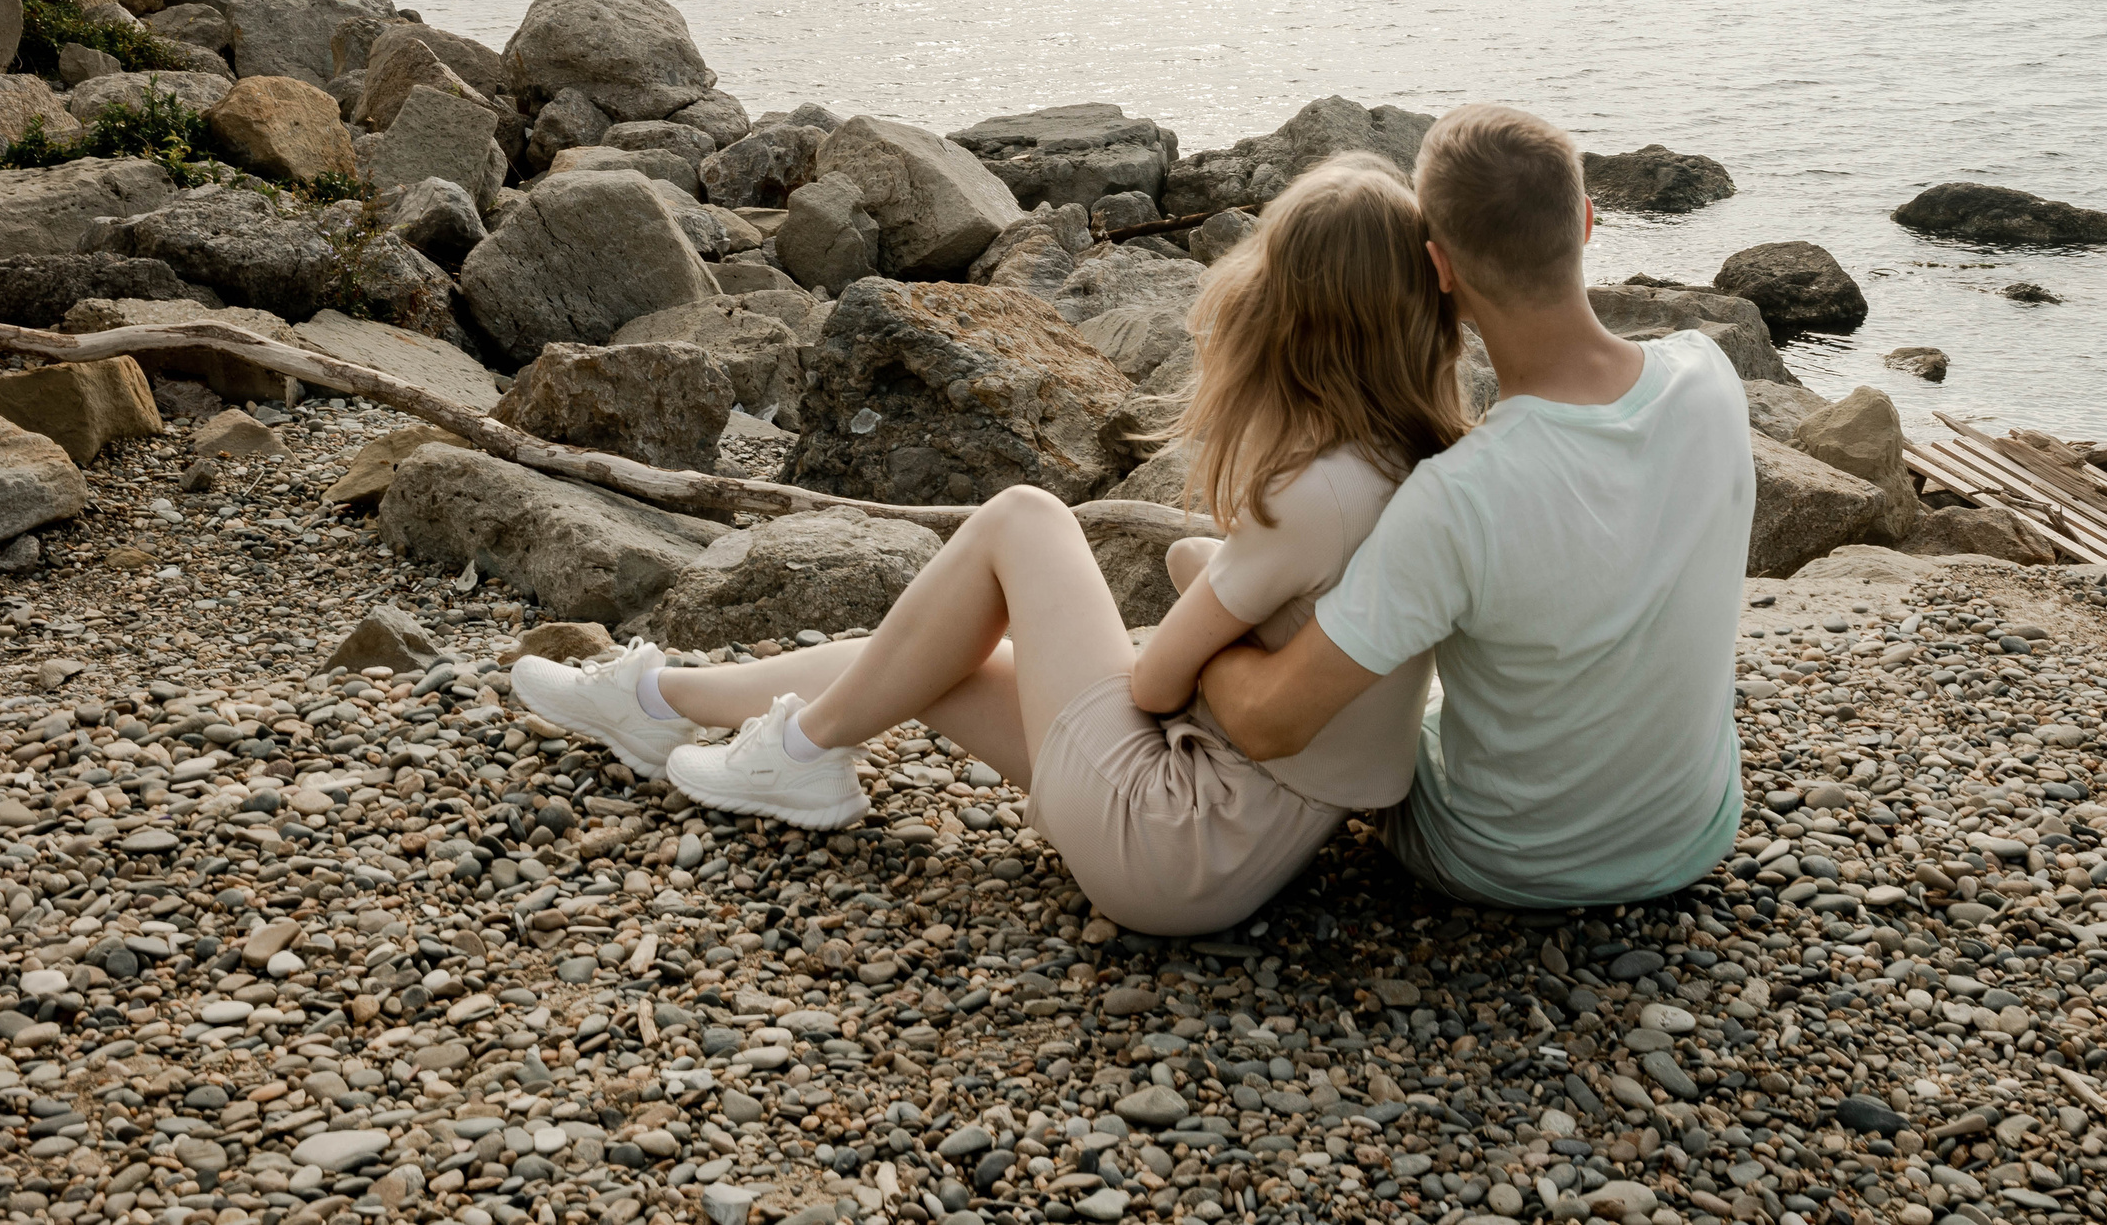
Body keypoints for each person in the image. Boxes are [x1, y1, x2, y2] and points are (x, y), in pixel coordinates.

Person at [511, 153, 1465, 934]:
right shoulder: (1408, 465)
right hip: (1227, 839)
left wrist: (1200, 618)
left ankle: (798, 750)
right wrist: (1211, 591)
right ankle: (661, 701)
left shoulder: (1317, 490)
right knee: (932, 660)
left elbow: (1152, 683)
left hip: (1173, 834)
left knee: (1024, 517)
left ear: (1284, 314)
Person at [1197, 104, 1754, 909]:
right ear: (1586, 219)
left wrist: (1211, 644)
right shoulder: (1710, 378)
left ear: (1440, 267)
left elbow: (1268, 722)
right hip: (1693, 833)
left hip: (1503, 862)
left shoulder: (1458, 497)